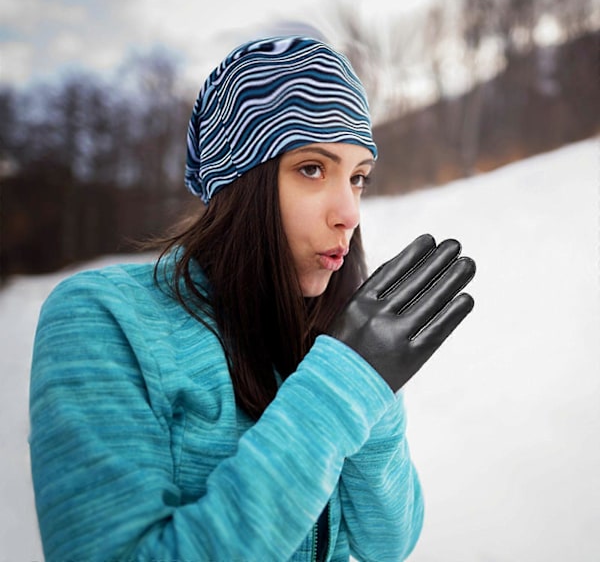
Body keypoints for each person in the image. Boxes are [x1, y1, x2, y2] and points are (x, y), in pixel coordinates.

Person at [29, 35, 476, 561]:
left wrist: (374, 386)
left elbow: (387, 544)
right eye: (312, 169)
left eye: (358, 178)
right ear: (240, 183)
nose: (349, 213)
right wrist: (339, 389)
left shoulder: (328, 330)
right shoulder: (102, 320)